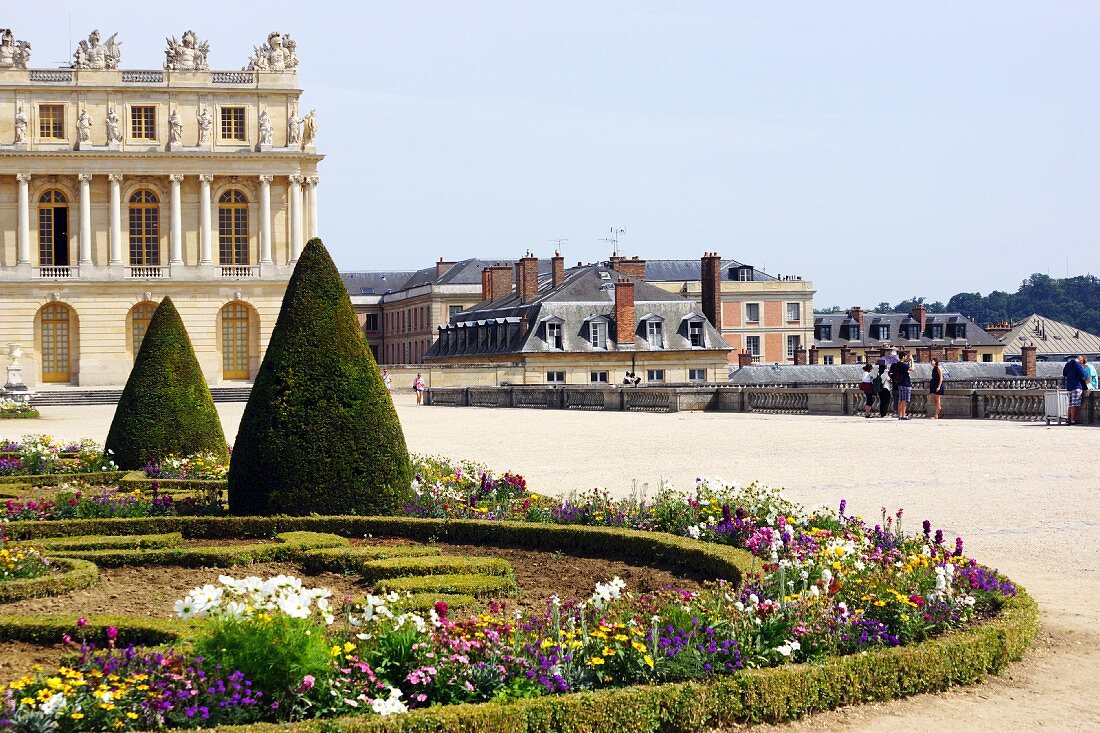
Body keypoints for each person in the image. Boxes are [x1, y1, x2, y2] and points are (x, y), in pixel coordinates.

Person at [1063, 356, 1087, 425]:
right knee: (1074, 404)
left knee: (1070, 404)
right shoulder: (1077, 364)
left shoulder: (1068, 364)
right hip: (1076, 386)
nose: (1082, 363)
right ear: (1080, 360)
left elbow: (1064, 373)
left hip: (1069, 386)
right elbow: (1083, 375)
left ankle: (1068, 420)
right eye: (1082, 361)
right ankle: (1073, 420)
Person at [891, 351, 913, 420]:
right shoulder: (903, 364)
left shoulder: (897, 364)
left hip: (900, 383)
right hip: (905, 383)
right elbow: (912, 369)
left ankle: (900, 415)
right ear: (903, 357)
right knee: (905, 400)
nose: (906, 358)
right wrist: (912, 360)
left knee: (900, 400)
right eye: (906, 356)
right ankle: (903, 415)